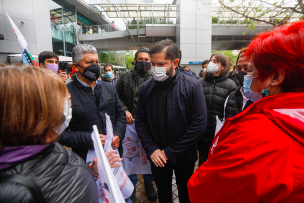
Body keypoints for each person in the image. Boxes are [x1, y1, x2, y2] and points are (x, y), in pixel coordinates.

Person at [188, 20, 304, 203]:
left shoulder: (257, 133)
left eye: (251, 71)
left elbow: (205, 191)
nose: (247, 78)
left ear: (275, 77)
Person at [0, 64, 99, 202]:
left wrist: (91, 170)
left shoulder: (49, 145)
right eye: (63, 100)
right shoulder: (14, 192)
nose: (68, 106)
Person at [135, 39, 207, 203]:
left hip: (184, 155)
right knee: (164, 193)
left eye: (161, 64)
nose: (154, 68)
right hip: (157, 156)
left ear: (175, 63)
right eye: (153, 63)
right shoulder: (146, 88)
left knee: (185, 193)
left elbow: (198, 125)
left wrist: (170, 152)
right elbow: (140, 119)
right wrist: (152, 149)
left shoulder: (192, 86)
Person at [58, 44, 126, 161]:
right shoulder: (65, 93)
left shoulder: (108, 88)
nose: (95, 66)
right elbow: (60, 133)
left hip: (114, 154)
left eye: (97, 62)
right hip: (85, 159)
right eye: (90, 62)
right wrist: (90, 139)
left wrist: (118, 134)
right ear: (76, 67)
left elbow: (120, 114)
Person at [116, 47, 156, 202]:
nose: (144, 62)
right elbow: (116, 97)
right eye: (141, 59)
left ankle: (149, 184)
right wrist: (125, 110)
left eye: (147, 60)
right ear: (135, 60)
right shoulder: (125, 76)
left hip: (148, 125)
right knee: (130, 155)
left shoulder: (154, 77)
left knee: (148, 155)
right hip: (129, 125)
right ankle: (131, 186)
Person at [197, 53, 237, 166]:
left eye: (215, 61)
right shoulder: (200, 83)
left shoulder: (231, 85)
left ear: (222, 67)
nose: (211, 63)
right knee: (203, 165)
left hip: (220, 136)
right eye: (211, 60)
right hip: (202, 135)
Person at [224, 48, 253, 120]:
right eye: (239, 69)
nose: (241, 73)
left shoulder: (266, 98)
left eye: (247, 69)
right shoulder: (231, 97)